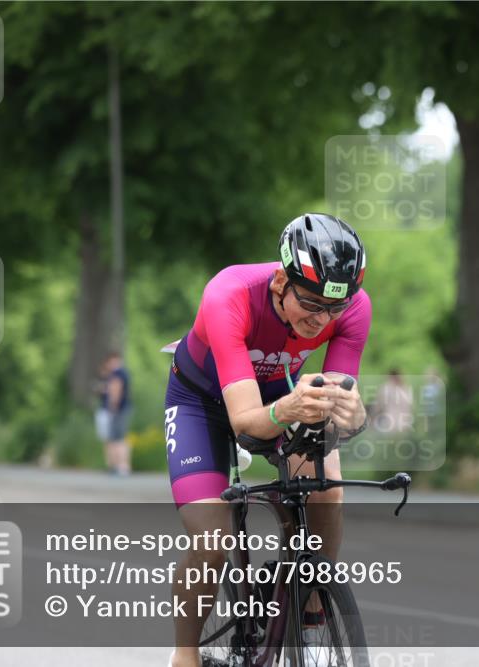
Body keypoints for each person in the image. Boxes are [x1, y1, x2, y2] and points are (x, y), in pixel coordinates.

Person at [165, 213, 370, 667]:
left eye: (335, 308)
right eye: (312, 304)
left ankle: (312, 621)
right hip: (203, 402)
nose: (323, 319)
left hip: (278, 392)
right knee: (212, 538)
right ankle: (184, 654)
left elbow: (333, 414)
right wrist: (288, 410)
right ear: (281, 281)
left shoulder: (353, 307)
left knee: (326, 489)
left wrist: (352, 417)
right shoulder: (230, 294)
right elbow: (245, 422)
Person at [101, 351, 132, 476]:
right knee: (119, 438)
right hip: (124, 408)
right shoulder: (124, 373)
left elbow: (116, 389)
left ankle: (120, 466)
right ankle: (121, 466)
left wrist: (112, 406)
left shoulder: (117, 373)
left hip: (118, 409)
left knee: (117, 438)